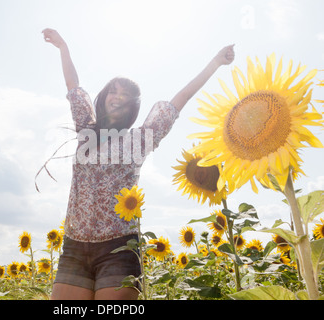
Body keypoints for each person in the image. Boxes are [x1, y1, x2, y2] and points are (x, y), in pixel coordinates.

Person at [42, 28, 234, 300]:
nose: (117, 96)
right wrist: (63, 47)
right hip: (73, 247)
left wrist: (215, 62)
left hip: (118, 249)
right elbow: (73, 87)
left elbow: (178, 101)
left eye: (124, 95)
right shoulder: (86, 130)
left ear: (132, 107)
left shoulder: (141, 140)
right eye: (113, 91)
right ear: (105, 97)